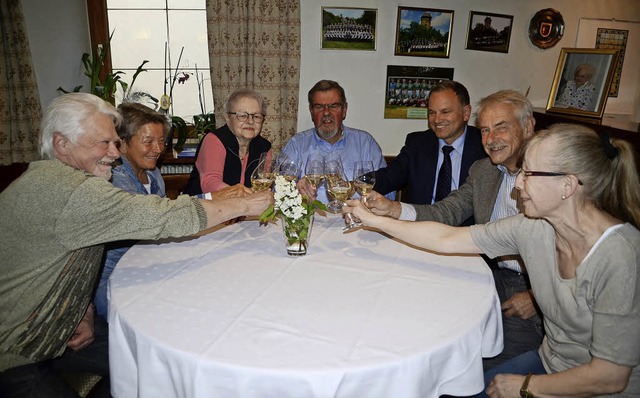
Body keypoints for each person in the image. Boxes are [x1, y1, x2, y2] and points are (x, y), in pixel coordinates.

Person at [0, 93, 272, 397]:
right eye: (103, 143)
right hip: (15, 351)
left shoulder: (58, 179)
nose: (115, 154)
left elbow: (66, 259)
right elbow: (163, 217)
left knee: (156, 366)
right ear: (62, 143)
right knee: (161, 365)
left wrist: (83, 310)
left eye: (115, 142)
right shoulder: (73, 192)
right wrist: (244, 205)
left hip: (61, 329)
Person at [345, 123, 640, 397]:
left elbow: (610, 377)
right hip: (551, 363)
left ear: (568, 185)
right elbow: (446, 238)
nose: (518, 185)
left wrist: (527, 386)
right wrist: (375, 221)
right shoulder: (533, 228)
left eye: (529, 175)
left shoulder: (621, 255)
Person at [362, 90, 543, 370]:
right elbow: (447, 211)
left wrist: (535, 297)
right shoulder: (484, 170)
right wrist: (393, 209)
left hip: (529, 290)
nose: (491, 139)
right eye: (485, 130)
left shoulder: (553, 179)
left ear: (528, 126)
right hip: (486, 272)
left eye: (501, 127)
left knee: (482, 368)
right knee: (411, 320)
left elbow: (576, 252)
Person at [93, 103, 255, 321]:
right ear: (121, 144)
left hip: (148, 263)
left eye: (161, 140)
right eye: (148, 141)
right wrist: (216, 198)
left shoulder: (152, 174)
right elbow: (158, 218)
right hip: (117, 281)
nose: (158, 149)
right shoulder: (115, 180)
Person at [374, 80, 486, 216]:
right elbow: (388, 177)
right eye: (432, 112)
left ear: (466, 112)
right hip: (421, 226)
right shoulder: (417, 144)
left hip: (466, 232)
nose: (437, 120)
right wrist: (352, 185)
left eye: (445, 112)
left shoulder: (484, 145)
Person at [281, 79, 392, 204]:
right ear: (311, 112)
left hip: (357, 220)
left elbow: (388, 193)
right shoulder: (296, 145)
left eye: (333, 106)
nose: (326, 112)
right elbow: (278, 192)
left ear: (344, 109)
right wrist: (295, 189)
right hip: (308, 219)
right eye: (319, 107)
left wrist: (356, 191)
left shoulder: (365, 143)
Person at [184, 88, 272, 195]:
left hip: (245, 208)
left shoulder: (265, 147)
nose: (250, 121)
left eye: (257, 116)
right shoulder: (214, 140)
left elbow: (263, 184)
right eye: (242, 115)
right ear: (227, 117)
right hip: (205, 207)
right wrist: (242, 195)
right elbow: (210, 184)